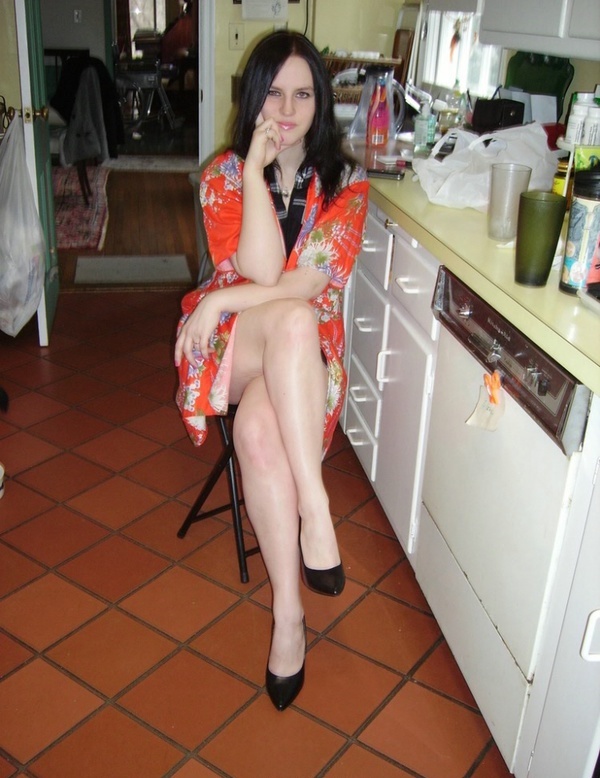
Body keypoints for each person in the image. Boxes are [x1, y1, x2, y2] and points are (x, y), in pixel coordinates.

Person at [174, 30, 368, 711]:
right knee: (287, 321)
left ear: (321, 102)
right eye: (274, 93)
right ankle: (318, 509)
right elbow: (261, 271)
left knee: (259, 432)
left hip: (301, 356)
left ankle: (289, 615)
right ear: (253, 97)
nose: (287, 110)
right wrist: (255, 174)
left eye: (303, 94)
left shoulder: (348, 184)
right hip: (236, 345)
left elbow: (310, 286)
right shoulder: (223, 177)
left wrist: (219, 297)